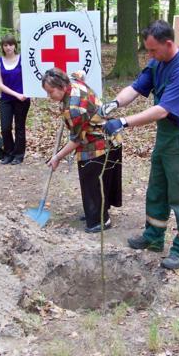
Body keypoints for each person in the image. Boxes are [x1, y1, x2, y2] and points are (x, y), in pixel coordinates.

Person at [101, 19, 179, 270]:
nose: (150, 55)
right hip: (165, 137)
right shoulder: (157, 62)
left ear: (169, 43)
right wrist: (114, 104)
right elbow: (135, 89)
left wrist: (123, 122)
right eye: (148, 50)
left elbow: (162, 110)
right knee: (157, 187)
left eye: (153, 50)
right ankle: (154, 236)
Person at [42, 68, 122, 233]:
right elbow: (80, 73)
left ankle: (101, 220)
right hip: (103, 138)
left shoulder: (74, 108)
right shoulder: (72, 81)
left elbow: (76, 140)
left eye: (51, 92)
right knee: (94, 182)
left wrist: (57, 157)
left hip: (99, 143)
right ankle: (95, 211)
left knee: (92, 181)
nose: (49, 96)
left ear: (63, 87)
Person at [0, 34, 30, 165]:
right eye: (5, 45)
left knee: (19, 127)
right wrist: (16, 94)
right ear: (2, 47)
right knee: (5, 127)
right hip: (6, 99)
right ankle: (9, 153)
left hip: (23, 99)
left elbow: (31, 77)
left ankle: (19, 155)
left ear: (15, 46)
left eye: (10, 44)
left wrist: (26, 93)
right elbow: (0, 84)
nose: (8, 47)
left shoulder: (23, 59)